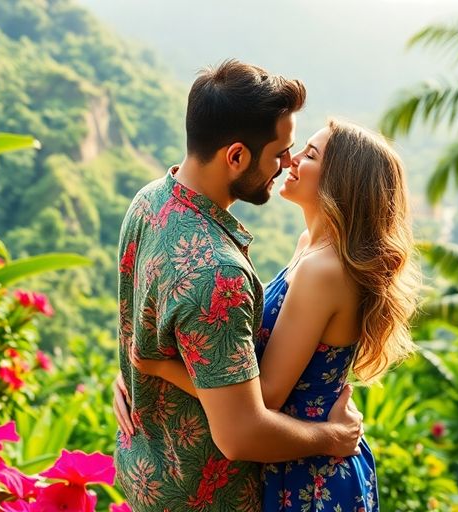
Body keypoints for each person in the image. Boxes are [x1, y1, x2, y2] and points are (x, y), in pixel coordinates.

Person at [119, 119, 420, 511]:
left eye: (309, 155)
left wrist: (157, 367)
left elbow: (266, 397)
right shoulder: (309, 247)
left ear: (340, 182)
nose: (291, 160)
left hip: (310, 473)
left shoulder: (324, 271)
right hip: (294, 454)